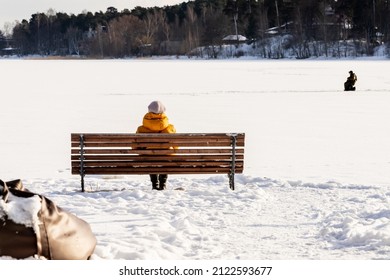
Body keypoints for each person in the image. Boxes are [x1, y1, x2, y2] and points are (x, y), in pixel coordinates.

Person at [136, 101, 176, 190]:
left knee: (150, 158)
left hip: (148, 157)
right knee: (166, 158)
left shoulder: (141, 129)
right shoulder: (170, 128)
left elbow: (135, 146)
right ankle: (163, 184)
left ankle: (154, 184)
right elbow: (175, 146)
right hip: (166, 157)